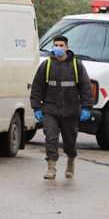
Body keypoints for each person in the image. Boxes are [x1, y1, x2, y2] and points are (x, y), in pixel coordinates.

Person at [30, 35, 93, 180]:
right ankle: (51, 168)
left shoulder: (76, 66)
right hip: (50, 109)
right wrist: (36, 107)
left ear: (67, 47)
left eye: (61, 45)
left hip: (70, 110)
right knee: (50, 138)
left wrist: (86, 107)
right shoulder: (46, 65)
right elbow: (37, 87)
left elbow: (85, 87)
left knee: (70, 142)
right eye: (56, 45)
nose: (58, 48)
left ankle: (71, 161)